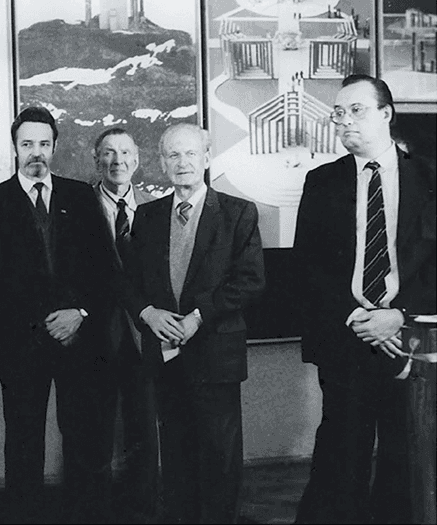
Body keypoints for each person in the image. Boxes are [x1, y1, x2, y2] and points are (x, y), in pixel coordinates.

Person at [293, 75, 436, 524]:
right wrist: (357, 315)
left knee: (403, 454)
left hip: (408, 340)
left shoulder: (428, 178)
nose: (344, 121)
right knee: (341, 454)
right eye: (338, 113)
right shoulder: (322, 181)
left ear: (386, 114)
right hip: (346, 335)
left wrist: (399, 315)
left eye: (356, 110)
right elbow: (307, 264)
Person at [0, 107, 114, 523]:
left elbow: (104, 268)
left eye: (44, 144)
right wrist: (37, 324)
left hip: (78, 338)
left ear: (54, 147)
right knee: (23, 443)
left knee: (83, 439)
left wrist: (80, 313)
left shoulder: (80, 196)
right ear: (15, 148)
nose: (36, 152)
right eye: (27, 144)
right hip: (21, 345)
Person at [126, 123, 264, 523]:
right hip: (165, 355)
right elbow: (130, 281)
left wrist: (198, 317)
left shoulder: (238, 212)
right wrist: (148, 313)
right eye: (173, 155)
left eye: (190, 153)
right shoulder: (148, 215)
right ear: (162, 163)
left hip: (216, 354)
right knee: (175, 455)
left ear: (206, 158)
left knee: (219, 458)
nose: (182, 162)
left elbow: (251, 280)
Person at [89, 127, 161, 521]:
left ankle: (143, 510)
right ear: (96, 159)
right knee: (94, 433)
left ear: (137, 159)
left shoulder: (156, 207)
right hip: (95, 337)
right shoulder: (79, 207)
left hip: (143, 336)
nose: (117, 161)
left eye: (125, 152)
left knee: (144, 430)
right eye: (108, 153)